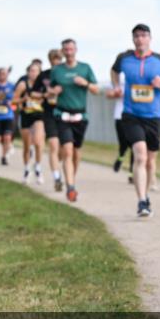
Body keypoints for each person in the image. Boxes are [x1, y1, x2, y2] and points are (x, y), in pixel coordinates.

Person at [110, 24, 160, 217]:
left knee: (149, 160)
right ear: (133, 39)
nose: (140, 39)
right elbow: (113, 71)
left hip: (154, 116)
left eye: (144, 35)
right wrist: (116, 86)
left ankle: (146, 196)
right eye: (137, 36)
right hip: (131, 114)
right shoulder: (124, 58)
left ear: (150, 38)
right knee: (140, 155)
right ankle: (141, 201)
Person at [48, 38, 99, 202]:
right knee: (67, 150)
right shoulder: (57, 71)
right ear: (62, 52)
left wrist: (85, 83)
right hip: (62, 115)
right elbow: (49, 92)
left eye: (71, 49)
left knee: (76, 153)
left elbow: (96, 90)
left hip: (80, 116)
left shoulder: (85, 68)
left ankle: (71, 179)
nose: (69, 53)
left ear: (76, 50)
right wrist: (53, 91)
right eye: (66, 50)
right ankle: (70, 187)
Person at [13, 59, 47, 184]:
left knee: (38, 142)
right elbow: (14, 100)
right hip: (26, 115)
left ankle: (38, 166)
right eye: (31, 71)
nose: (34, 73)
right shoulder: (23, 85)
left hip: (38, 116)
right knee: (27, 146)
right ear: (28, 73)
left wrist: (43, 98)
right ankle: (27, 168)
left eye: (36, 71)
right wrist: (23, 100)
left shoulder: (43, 85)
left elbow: (50, 98)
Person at [39, 49, 65, 191]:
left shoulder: (66, 73)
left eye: (59, 59)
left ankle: (57, 164)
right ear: (49, 60)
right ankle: (57, 178)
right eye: (54, 60)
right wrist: (46, 93)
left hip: (65, 112)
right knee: (53, 145)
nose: (56, 62)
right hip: (49, 113)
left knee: (63, 149)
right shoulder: (43, 75)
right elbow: (34, 92)